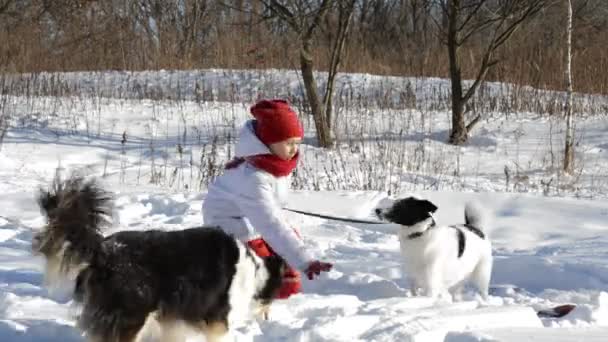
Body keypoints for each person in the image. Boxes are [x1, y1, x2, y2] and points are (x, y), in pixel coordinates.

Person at [202, 99, 332, 299]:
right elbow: (270, 223)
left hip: (252, 219)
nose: (294, 149)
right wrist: (305, 260)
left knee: (287, 243)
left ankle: (286, 300)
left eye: (297, 143)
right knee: (265, 266)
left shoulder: (274, 165)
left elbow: (270, 213)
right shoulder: (252, 178)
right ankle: (257, 302)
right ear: (267, 142)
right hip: (229, 229)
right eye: (288, 143)